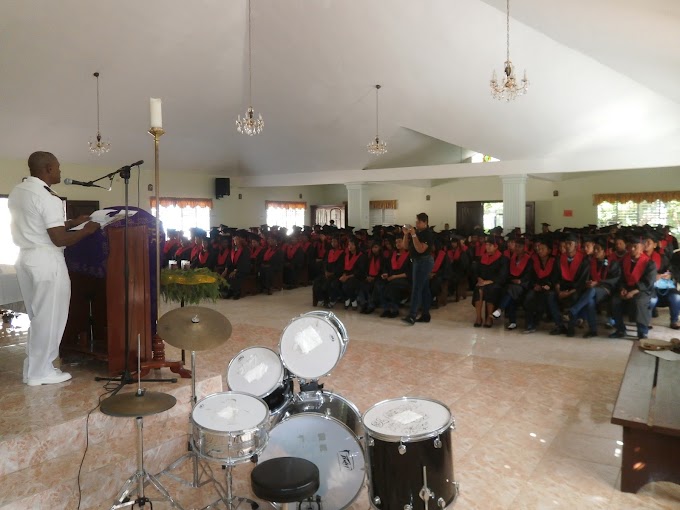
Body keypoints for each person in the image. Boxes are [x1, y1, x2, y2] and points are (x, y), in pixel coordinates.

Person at [9, 151, 100, 386]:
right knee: (51, 317)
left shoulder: (19, 191)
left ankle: (33, 368)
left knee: (38, 316)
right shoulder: (48, 197)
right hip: (47, 261)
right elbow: (59, 239)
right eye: (58, 167)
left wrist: (73, 222)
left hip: (26, 258)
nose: (60, 171)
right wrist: (86, 231)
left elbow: (39, 226)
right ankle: (42, 371)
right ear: (48, 168)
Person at [564, 238, 620, 338]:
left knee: (592, 290)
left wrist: (598, 282)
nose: (595, 251)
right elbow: (586, 277)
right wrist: (588, 282)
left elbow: (614, 280)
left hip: (607, 290)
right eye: (594, 249)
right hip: (592, 290)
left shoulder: (612, 263)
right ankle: (593, 330)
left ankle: (573, 311)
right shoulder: (590, 261)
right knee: (590, 302)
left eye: (598, 249)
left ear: (604, 251)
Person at [610, 235, 657, 339]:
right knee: (615, 300)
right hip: (627, 288)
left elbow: (648, 282)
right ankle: (620, 329)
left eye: (635, 246)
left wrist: (633, 292)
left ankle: (642, 331)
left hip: (643, 290)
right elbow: (620, 278)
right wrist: (622, 289)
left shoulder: (649, 263)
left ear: (642, 248)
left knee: (638, 302)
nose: (632, 249)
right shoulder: (623, 261)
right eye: (630, 246)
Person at [548, 232, 589, 336]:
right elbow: (555, 277)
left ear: (576, 245)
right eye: (566, 243)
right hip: (562, 288)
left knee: (575, 297)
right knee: (551, 296)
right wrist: (559, 291)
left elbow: (582, 281)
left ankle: (571, 326)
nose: (567, 246)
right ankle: (559, 325)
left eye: (570, 243)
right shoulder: (559, 258)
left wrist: (569, 293)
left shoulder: (583, 260)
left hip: (576, 289)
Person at [402, 213, 434, 325]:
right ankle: (425, 314)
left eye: (419, 222)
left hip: (424, 262)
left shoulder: (427, 234)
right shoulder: (417, 232)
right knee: (424, 288)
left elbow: (420, 249)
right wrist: (406, 235)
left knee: (416, 288)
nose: (416, 223)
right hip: (416, 262)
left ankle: (412, 315)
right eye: (416, 221)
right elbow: (405, 247)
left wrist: (414, 235)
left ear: (425, 222)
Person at [472, 236, 508, 327]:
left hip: (496, 283)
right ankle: (478, 317)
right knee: (478, 289)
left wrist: (489, 281)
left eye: (490, 245)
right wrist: (479, 278)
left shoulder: (502, 259)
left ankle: (489, 318)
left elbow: (502, 275)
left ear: (496, 247)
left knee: (490, 289)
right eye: (486, 245)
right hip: (483, 282)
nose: (487, 247)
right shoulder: (482, 258)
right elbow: (477, 271)